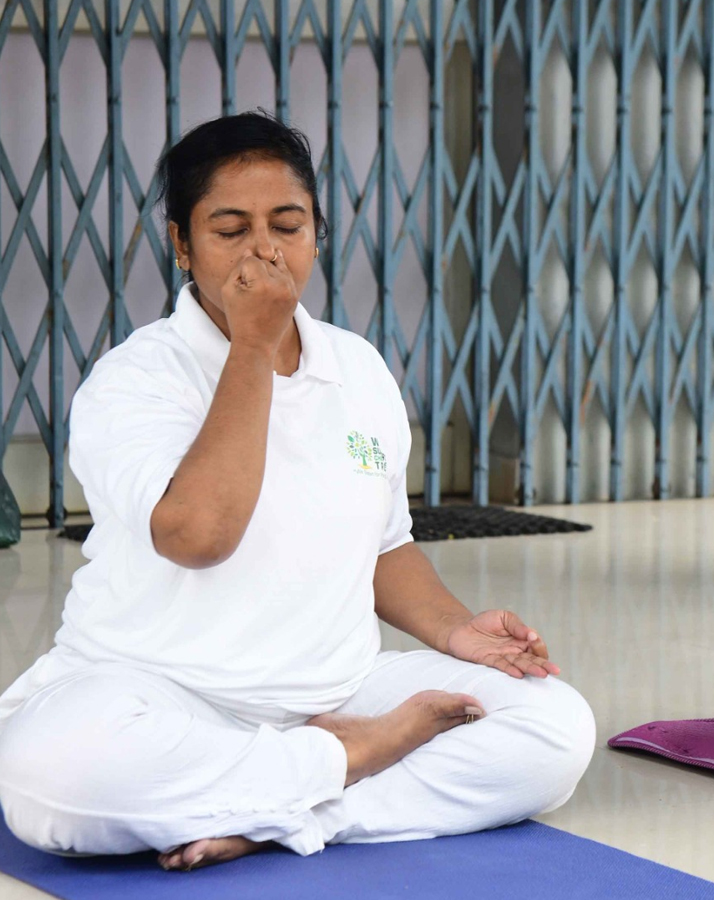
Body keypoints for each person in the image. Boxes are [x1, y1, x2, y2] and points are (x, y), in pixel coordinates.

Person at [0, 111, 594, 869]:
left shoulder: (359, 369)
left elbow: (383, 546)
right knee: (51, 778)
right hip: (160, 690)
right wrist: (251, 344)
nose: (263, 250)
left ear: (318, 232)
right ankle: (341, 765)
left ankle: (288, 811)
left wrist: (457, 633)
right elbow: (198, 534)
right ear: (182, 244)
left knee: (553, 729)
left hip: (333, 690)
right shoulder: (134, 380)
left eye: (287, 224)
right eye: (229, 229)